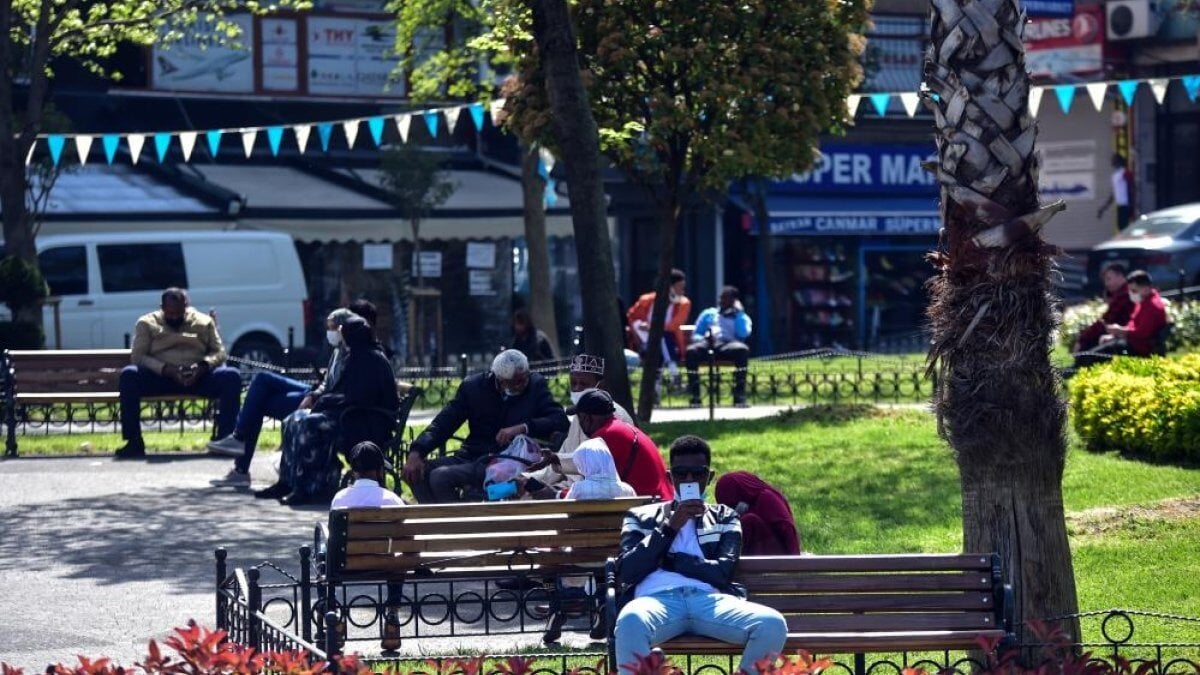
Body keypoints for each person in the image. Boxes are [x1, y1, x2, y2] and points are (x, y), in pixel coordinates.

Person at [613, 435, 787, 675]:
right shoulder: (640, 516)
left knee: (772, 624)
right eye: (681, 473)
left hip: (710, 601)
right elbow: (628, 570)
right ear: (669, 477)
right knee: (630, 620)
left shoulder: (725, 517)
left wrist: (672, 560)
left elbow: (722, 573)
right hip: (656, 600)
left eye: (697, 473)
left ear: (709, 476)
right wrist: (670, 527)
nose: (689, 480)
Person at [209, 308, 358, 487]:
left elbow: (339, 389)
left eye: (333, 328)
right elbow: (327, 382)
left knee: (260, 400)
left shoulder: (353, 353)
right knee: (262, 379)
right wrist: (314, 393)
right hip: (315, 393)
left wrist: (313, 396)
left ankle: (240, 455)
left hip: (323, 403)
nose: (330, 332)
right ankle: (239, 442)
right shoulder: (338, 350)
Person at [257, 316, 399, 505]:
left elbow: (360, 397)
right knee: (293, 419)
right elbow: (341, 391)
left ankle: (305, 487)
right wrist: (322, 400)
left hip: (364, 423)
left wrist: (325, 401)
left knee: (309, 424)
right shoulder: (354, 356)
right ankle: (286, 482)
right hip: (348, 416)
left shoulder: (372, 359)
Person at [403, 349, 569, 503]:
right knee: (414, 472)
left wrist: (523, 427)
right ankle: (442, 520)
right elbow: (443, 423)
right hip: (472, 455)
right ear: (499, 379)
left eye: (524, 378)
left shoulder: (535, 385)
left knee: (440, 477)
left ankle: (459, 522)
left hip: (506, 461)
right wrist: (417, 452)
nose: (522, 384)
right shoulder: (473, 387)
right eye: (515, 382)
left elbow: (559, 419)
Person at [117, 287, 242, 459]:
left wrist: (203, 366)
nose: (175, 317)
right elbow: (138, 357)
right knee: (129, 375)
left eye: (179, 313)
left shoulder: (204, 322)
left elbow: (219, 353)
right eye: (170, 313)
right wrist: (166, 369)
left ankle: (225, 439)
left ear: (186, 306)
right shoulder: (146, 323)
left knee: (231, 376)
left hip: (197, 378)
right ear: (162, 308)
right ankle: (134, 442)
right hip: (161, 378)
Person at [521, 355, 637, 499]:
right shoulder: (579, 416)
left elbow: (596, 469)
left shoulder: (612, 417)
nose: (577, 388)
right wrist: (527, 479)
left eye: (583, 384)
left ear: (599, 386)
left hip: (596, 492)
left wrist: (557, 492)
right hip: (571, 487)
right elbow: (558, 462)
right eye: (573, 383)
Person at [329, 441, 406, 652]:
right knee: (399, 559)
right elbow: (406, 537)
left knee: (322, 556)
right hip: (384, 564)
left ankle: (333, 615)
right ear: (380, 470)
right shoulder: (392, 500)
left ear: (353, 470)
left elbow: (334, 539)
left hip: (346, 566)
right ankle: (392, 616)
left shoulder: (340, 498)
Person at [572, 389, 674, 500]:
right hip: (664, 498)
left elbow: (595, 489)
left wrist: (559, 494)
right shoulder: (622, 429)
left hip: (649, 504)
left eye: (579, 418)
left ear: (587, 419)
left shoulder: (603, 438)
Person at [1075, 270, 1169, 366]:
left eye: (1134, 291)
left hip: (1139, 349)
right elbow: (1132, 324)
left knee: (1090, 356)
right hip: (1132, 343)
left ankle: (1075, 370)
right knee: (1091, 349)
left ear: (1145, 288)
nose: (1131, 294)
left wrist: (1120, 331)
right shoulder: (1144, 301)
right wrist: (1116, 335)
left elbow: (1141, 334)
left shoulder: (1152, 306)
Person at [685, 286, 753, 407]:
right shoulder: (708, 314)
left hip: (728, 345)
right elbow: (696, 335)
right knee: (691, 351)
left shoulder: (742, 317)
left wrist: (739, 313)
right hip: (708, 344)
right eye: (721, 298)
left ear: (734, 301)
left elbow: (743, 333)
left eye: (726, 298)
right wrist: (704, 338)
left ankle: (739, 396)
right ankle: (695, 396)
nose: (722, 301)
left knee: (742, 350)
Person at [627, 269, 692, 383]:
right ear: (669, 287)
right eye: (679, 287)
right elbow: (632, 317)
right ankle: (674, 373)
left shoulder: (684, 304)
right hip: (644, 340)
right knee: (657, 338)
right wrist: (644, 326)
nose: (682, 291)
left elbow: (673, 326)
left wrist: (652, 328)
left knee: (662, 338)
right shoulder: (646, 300)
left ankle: (657, 384)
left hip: (669, 342)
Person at [714, 472, 801, 555]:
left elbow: (787, 528)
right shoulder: (748, 502)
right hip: (762, 550)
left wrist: (794, 561)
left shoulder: (765, 497)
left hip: (778, 555)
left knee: (748, 521)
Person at [1072, 263, 1134, 354]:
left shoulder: (1124, 295)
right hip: (1122, 335)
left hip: (1126, 338)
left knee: (1085, 350)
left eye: (1109, 279)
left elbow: (1106, 321)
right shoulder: (1123, 293)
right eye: (1105, 280)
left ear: (1120, 276)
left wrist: (1082, 339)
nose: (1106, 284)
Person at [1097, 154, 1134, 231]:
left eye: (1114, 160)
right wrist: (1103, 208)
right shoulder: (1115, 176)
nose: (1112, 162)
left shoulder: (1125, 172)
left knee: (1126, 229)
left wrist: (1131, 205)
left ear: (1118, 161)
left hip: (1127, 205)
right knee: (1121, 228)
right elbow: (1113, 194)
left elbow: (1131, 188)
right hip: (1120, 206)